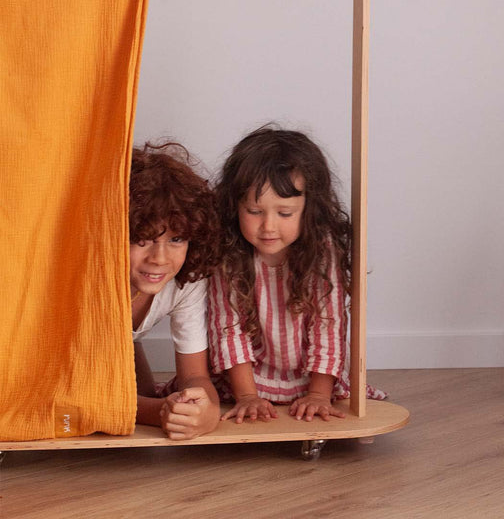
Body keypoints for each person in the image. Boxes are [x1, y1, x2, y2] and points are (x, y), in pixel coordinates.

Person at [208, 125, 385, 424]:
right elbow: (227, 328)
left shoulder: (321, 250)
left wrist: (318, 394)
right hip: (247, 378)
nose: (268, 226)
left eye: (285, 214)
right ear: (234, 206)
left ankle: (320, 393)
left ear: (309, 210)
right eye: (254, 211)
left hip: (311, 376)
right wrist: (247, 396)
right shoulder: (228, 251)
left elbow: (328, 325)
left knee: (350, 412)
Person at [129, 141, 221, 440]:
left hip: (120, 343)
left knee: (143, 392)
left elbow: (194, 375)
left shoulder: (185, 281)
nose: (159, 258)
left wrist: (206, 408)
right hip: (55, 363)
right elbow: (77, 393)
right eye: (141, 239)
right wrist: (158, 412)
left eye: (177, 239)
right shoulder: (89, 279)